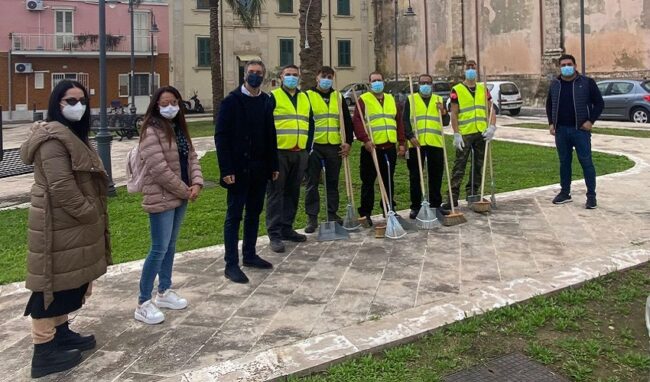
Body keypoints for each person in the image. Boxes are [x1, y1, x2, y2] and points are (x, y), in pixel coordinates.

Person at [20, 80, 111, 378]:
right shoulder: (51, 140)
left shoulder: (70, 134)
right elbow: (61, 187)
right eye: (70, 100)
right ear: (56, 104)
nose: (78, 105)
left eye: (82, 100)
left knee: (66, 281)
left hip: (68, 224)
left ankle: (61, 333)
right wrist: (88, 212)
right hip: (58, 223)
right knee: (50, 284)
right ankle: (43, 351)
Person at [134, 86, 203, 325]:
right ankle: (143, 301)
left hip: (181, 194)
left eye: (174, 102)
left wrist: (197, 182)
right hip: (161, 196)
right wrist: (185, 189)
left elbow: (192, 157)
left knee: (170, 245)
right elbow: (159, 168)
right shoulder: (150, 132)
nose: (170, 106)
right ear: (156, 105)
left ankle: (164, 290)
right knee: (158, 248)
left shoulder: (179, 129)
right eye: (165, 103)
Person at [216, 60, 279, 284]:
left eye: (259, 73)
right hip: (237, 170)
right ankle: (231, 264)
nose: (255, 76)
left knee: (254, 213)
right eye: (251, 72)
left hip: (260, 169)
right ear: (245, 75)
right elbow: (221, 137)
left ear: (264, 76)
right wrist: (226, 169)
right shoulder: (231, 101)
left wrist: (274, 165)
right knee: (234, 216)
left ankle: (250, 255)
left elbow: (270, 134)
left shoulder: (266, 101)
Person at [266, 64, 315, 253]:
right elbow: (267, 125)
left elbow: (310, 123)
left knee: (293, 192)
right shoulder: (273, 97)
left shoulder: (305, 98)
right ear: (281, 77)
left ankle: (287, 228)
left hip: (300, 152)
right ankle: (275, 234)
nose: (292, 78)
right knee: (276, 193)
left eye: (295, 75)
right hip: (279, 153)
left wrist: (308, 147)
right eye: (288, 75)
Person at [546, 53, 604, 209]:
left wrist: (590, 121)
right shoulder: (555, 84)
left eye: (569, 64)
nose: (566, 67)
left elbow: (599, 103)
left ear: (575, 66)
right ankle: (565, 193)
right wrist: (551, 123)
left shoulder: (586, 83)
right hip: (561, 131)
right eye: (563, 65)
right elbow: (549, 104)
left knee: (586, 162)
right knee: (564, 163)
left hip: (580, 130)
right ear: (559, 67)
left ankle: (591, 196)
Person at [352, 71, 406, 226]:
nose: (377, 83)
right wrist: (365, 139)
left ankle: (389, 208)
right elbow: (357, 121)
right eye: (374, 81)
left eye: (379, 80)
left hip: (389, 146)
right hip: (371, 148)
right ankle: (365, 213)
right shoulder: (364, 100)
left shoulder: (391, 100)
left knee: (389, 180)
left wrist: (401, 143)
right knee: (368, 181)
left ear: (383, 82)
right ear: (369, 84)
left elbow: (399, 122)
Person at [304, 66, 354, 233]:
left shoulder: (338, 97)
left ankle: (332, 213)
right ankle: (312, 218)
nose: (326, 79)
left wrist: (347, 142)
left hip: (334, 146)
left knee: (332, 182)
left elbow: (347, 122)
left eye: (329, 76)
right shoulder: (307, 96)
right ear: (317, 78)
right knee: (312, 183)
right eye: (323, 76)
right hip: (314, 147)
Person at [442, 60, 497, 210]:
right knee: (459, 166)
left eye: (473, 67)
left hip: (481, 132)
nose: (471, 70)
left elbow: (491, 109)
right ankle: (452, 197)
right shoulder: (457, 89)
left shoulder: (483, 88)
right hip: (465, 133)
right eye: (468, 68)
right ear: (464, 70)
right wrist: (456, 133)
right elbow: (454, 113)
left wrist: (492, 126)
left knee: (478, 165)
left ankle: (473, 193)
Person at [404, 74, 448, 219]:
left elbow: (446, 121)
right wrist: (410, 136)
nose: (425, 85)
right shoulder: (411, 99)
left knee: (436, 175)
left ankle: (435, 204)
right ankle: (416, 207)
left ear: (432, 84)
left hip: (435, 142)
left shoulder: (439, 99)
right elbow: (405, 121)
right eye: (422, 83)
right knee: (415, 176)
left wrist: (443, 111)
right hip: (417, 144)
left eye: (428, 83)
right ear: (418, 84)